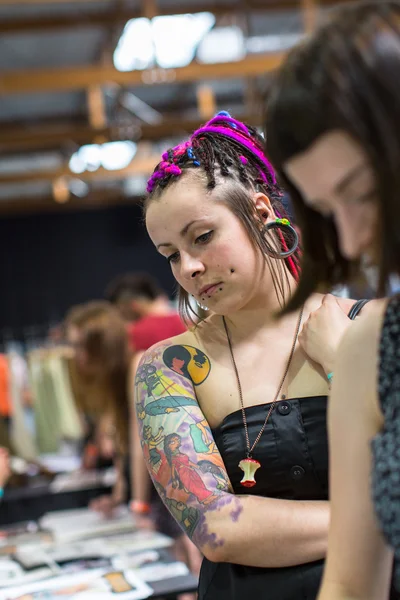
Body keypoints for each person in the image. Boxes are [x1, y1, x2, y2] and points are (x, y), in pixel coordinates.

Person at [134, 110, 366, 600]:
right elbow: (217, 529)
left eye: (202, 237)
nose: (190, 267)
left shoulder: (370, 326)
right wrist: (378, 518)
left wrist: (345, 363)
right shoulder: (169, 367)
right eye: (170, 254)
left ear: (260, 213)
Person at [265, 2, 400, 598]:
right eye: (324, 211)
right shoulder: (374, 346)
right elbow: (349, 583)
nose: (350, 239)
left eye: (364, 193)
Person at [106, 274, 201, 586]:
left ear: (130, 306)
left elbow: (138, 431)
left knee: (177, 565)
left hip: (162, 463)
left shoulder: (135, 338)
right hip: (203, 452)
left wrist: (138, 500)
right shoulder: (196, 323)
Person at [66, 301, 130, 514]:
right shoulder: (110, 384)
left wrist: (138, 503)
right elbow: (123, 451)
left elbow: (139, 448)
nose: (74, 354)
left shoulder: (135, 371)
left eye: (78, 345)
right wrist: (118, 497)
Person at [105, 273, 186, 352]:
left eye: (121, 312)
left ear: (133, 306)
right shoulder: (187, 323)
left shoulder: (134, 334)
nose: (121, 319)